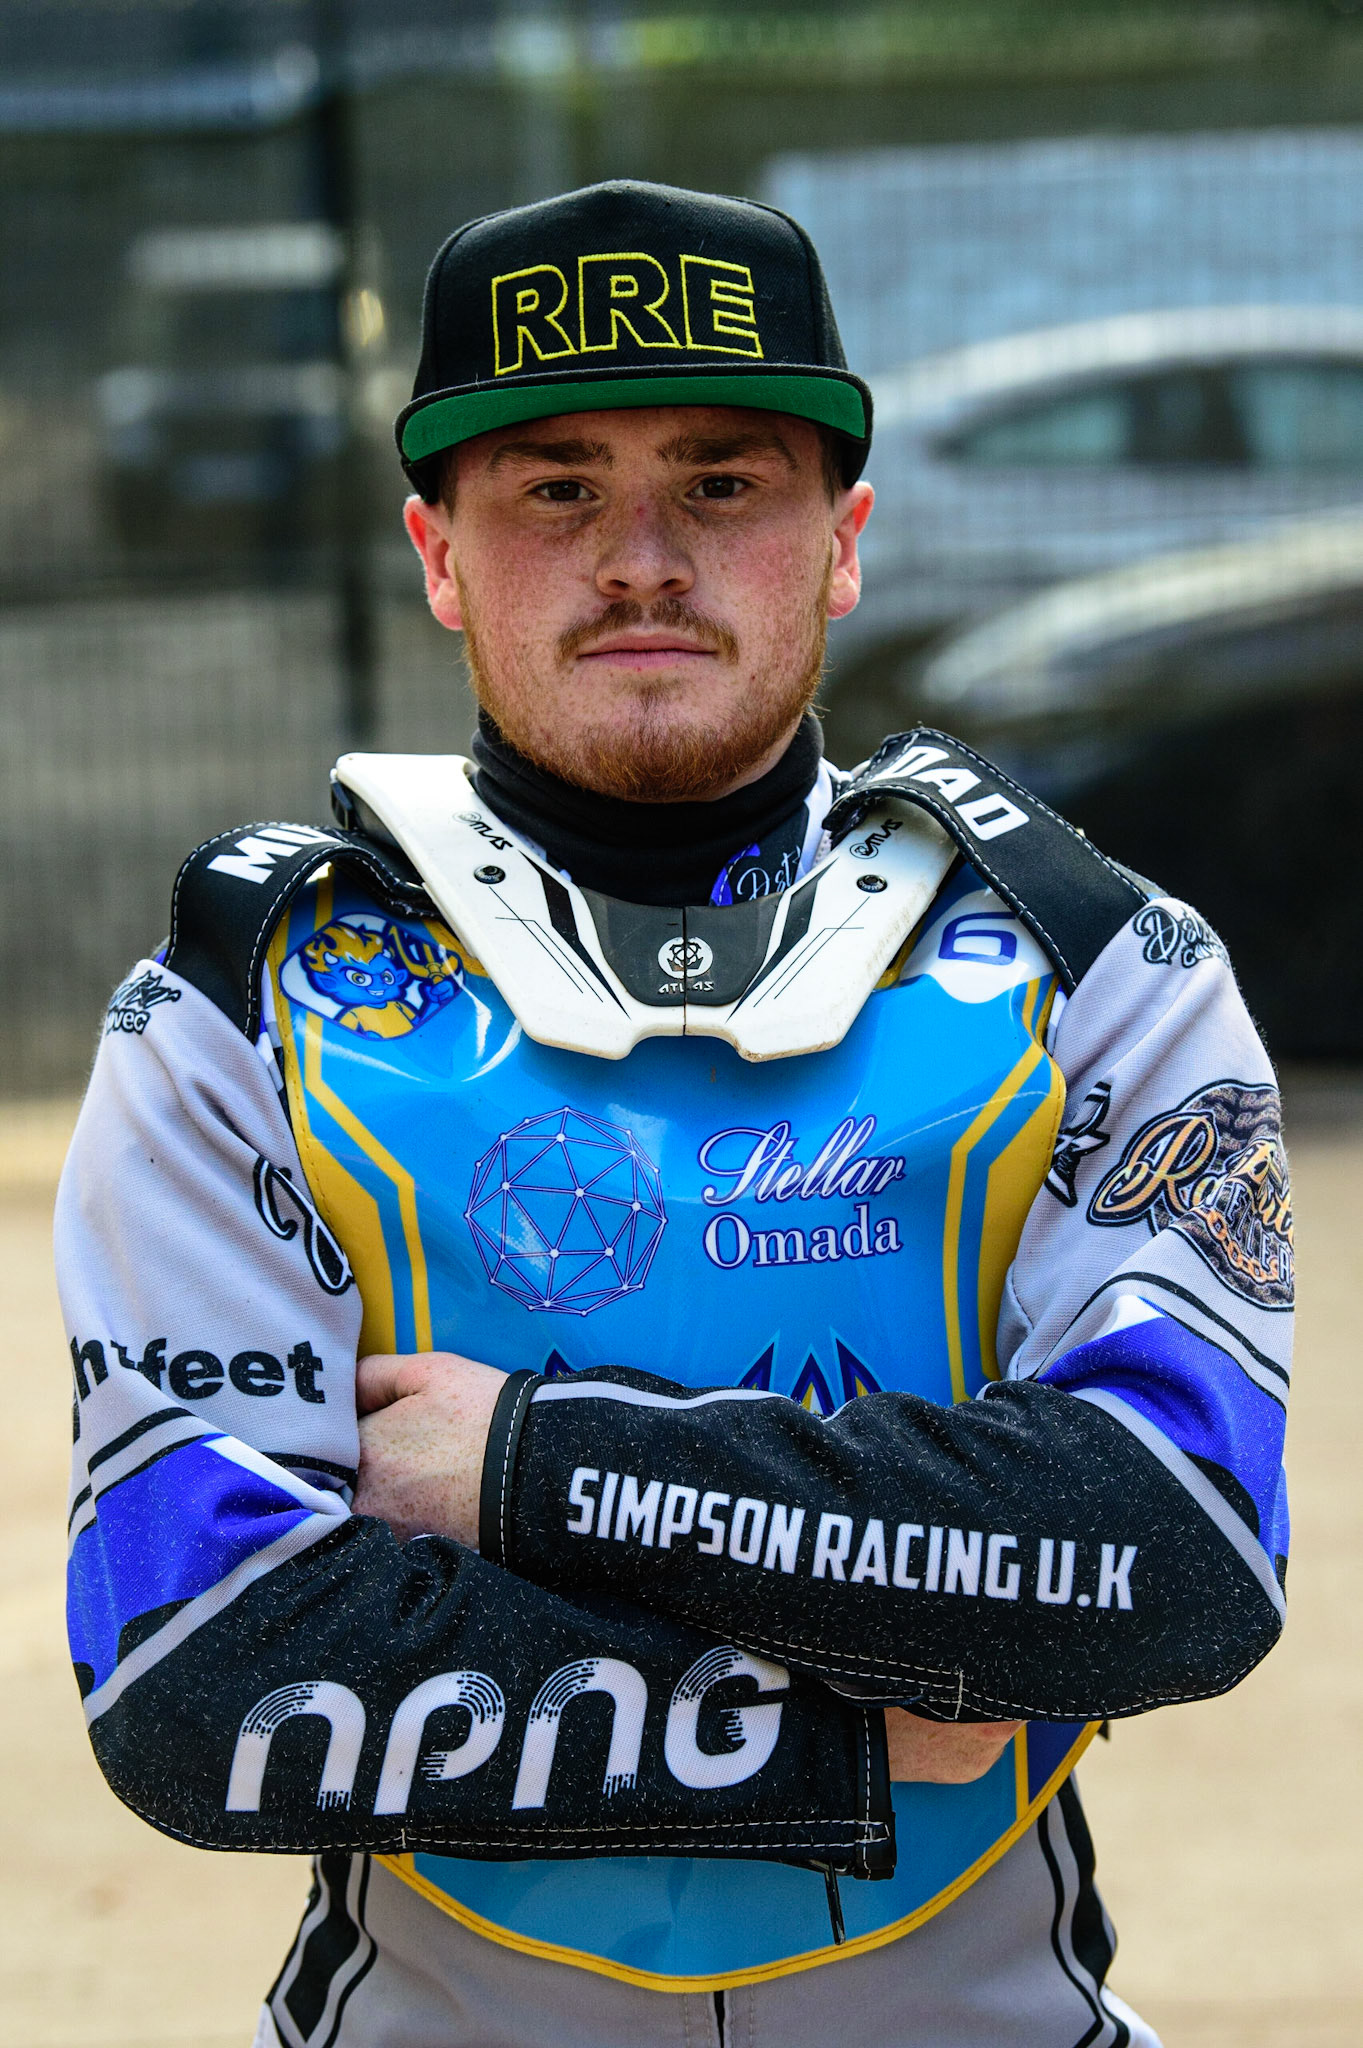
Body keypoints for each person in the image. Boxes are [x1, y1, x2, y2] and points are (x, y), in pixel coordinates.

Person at [56, 180, 1292, 2048]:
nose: (641, 560)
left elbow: (1175, 1555)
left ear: (843, 541)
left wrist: (528, 1469)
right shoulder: (236, 1003)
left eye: (722, 483)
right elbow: (198, 1674)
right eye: (556, 490)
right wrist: (865, 1712)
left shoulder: (1098, 964)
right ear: (440, 554)